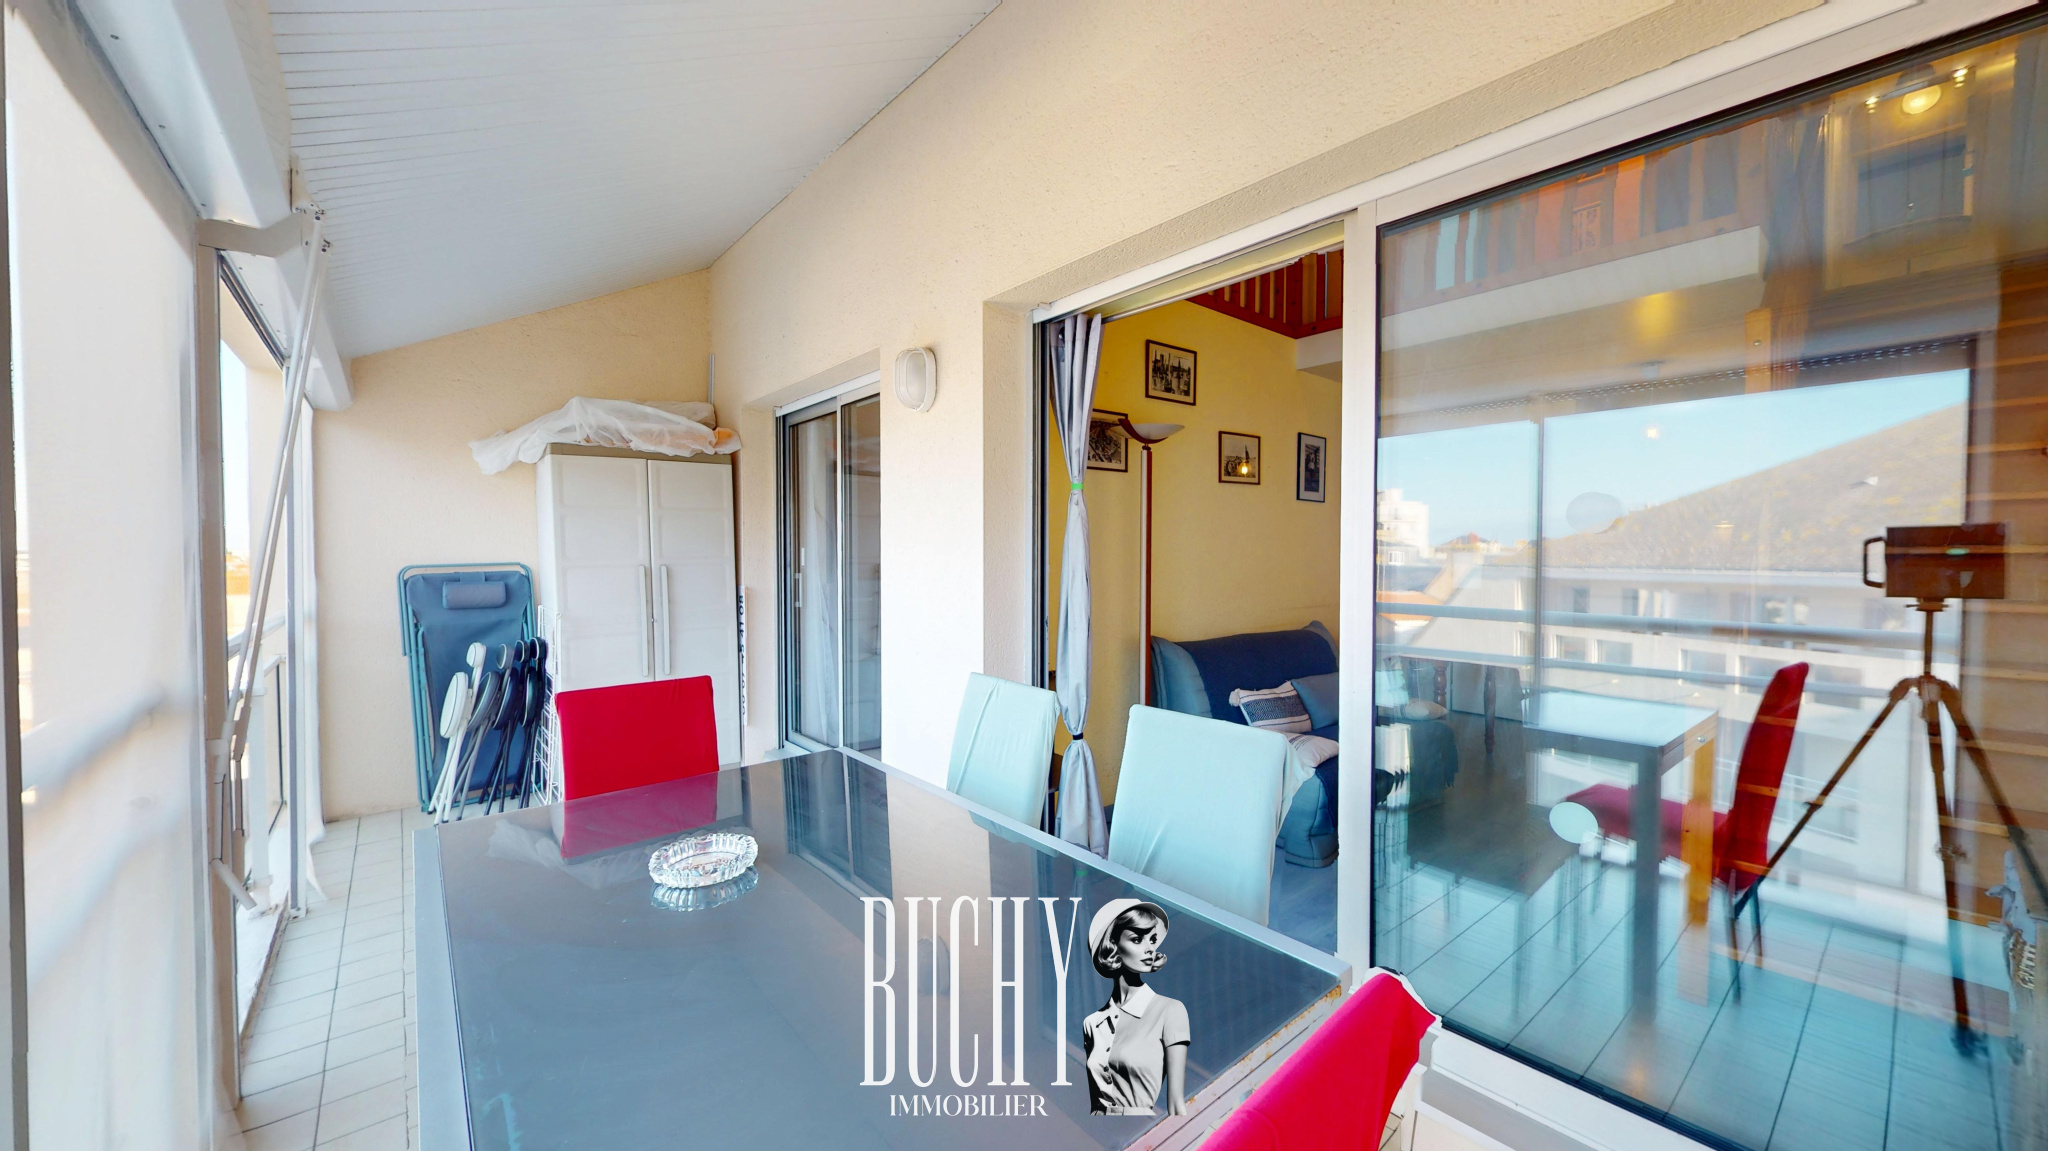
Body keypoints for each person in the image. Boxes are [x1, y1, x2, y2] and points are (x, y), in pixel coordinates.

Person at [1081, 897, 1190, 1116]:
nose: (1150, 948)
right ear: (1113, 947)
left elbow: (1176, 1104)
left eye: (1152, 940)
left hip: (1144, 1129)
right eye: (1137, 939)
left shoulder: (1170, 1011)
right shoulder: (1092, 1023)